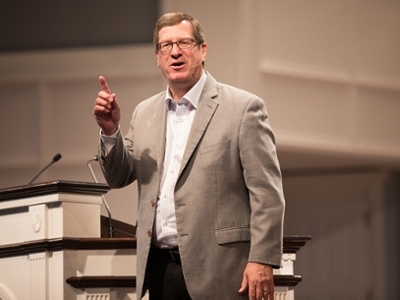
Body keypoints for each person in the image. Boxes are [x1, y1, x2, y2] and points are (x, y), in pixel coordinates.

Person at [93, 12, 285, 300]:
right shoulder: (144, 113)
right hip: (160, 268)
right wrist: (110, 132)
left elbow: (267, 193)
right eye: (166, 46)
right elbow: (120, 176)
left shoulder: (243, 108)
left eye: (184, 43)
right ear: (158, 57)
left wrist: (262, 259)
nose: (175, 52)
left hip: (221, 271)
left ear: (202, 50)